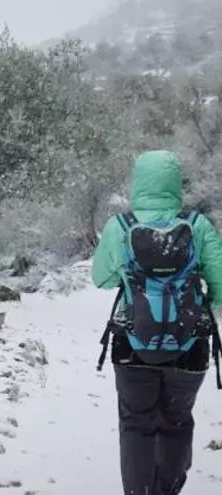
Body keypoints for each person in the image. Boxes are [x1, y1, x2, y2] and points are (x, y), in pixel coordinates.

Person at [91, 149, 222, 495]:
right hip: (190, 347)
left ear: (139, 183)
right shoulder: (197, 226)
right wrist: (203, 305)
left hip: (132, 344)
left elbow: (101, 280)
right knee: (177, 423)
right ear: (176, 183)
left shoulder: (119, 227)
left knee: (136, 425)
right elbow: (221, 283)